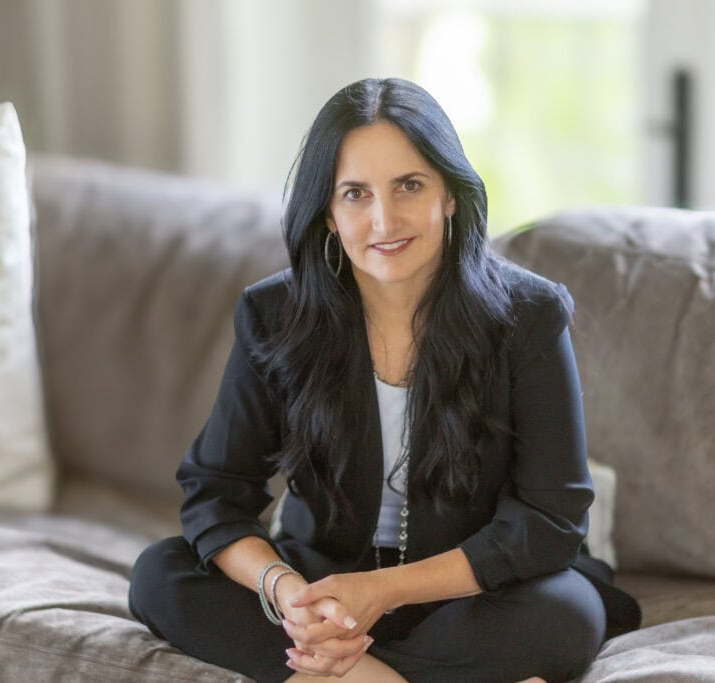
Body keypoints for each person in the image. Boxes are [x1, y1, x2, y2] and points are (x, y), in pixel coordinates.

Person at [129, 77, 640, 683]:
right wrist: (287, 592)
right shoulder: (274, 315)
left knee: (563, 615)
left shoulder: (528, 315)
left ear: (450, 193)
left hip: (472, 588)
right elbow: (216, 490)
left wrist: (382, 589)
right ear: (327, 212)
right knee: (161, 574)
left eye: (409, 185)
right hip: (324, 588)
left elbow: (551, 519)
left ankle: (341, 675)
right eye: (355, 193)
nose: (383, 219)